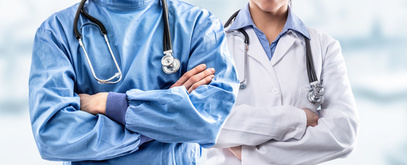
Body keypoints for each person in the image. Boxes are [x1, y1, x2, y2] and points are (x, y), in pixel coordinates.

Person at [28, 0, 238, 164]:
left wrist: (106, 103)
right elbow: (53, 134)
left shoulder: (198, 25)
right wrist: (165, 116)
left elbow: (209, 120)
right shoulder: (56, 32)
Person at [204, 0, 359, 164]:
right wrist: (297, 119)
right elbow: (204, 121)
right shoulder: (212, 43)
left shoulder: (324, 46)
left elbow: (343, 133)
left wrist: (251, 155)